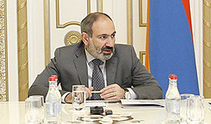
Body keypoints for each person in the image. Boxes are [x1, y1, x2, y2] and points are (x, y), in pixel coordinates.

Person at [28, 12, 161, 102]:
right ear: (86, 39)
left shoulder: (126, 54)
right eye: (103, 37)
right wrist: (68, 96)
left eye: (112, 36)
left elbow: (155, 90)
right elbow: (35, 90)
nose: (110, 43)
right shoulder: (64, 57)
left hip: (117, 123)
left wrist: (125, 94)